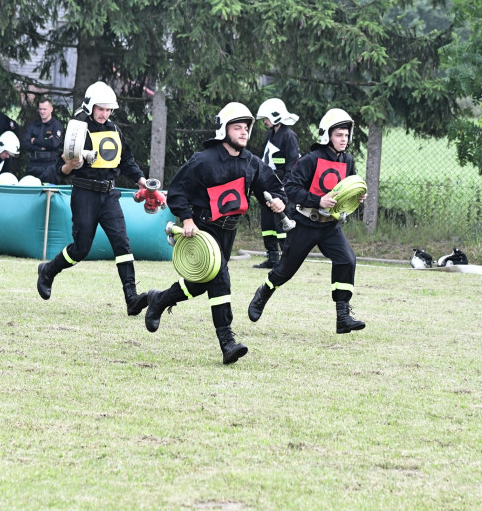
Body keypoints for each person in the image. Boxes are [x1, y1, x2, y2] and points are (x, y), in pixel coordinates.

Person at [141, 102, 287, 365]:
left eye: (246, 128)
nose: (243, 132)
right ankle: (227, 343)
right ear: (224, 130)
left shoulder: (252, 163)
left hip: (228, 234)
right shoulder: (203, 160)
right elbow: (176, 192)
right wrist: (186, 218)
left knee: (200, 284)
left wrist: (278, 201)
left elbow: (273, 187)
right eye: (237, 127)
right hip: (202, 230)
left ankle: (159, 300)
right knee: (220, 280)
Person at [35, 81, 151, 318]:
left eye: (109, 109)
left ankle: (131, 298)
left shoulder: (116, 130)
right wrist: (69, 165)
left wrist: (140, 178)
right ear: (90, 106)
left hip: (110, 195)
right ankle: (48, 271)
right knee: (81, 249)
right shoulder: (77, 131)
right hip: (85, 194)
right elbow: (58, 170)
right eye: (101, 108)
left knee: (123, 244)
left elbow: (126, 160)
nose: (105, 113)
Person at [247, 108, 367, 334]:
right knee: (285, 271)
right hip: (305, 222)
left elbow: (347, 188)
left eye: (346, 135)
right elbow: (291, 189)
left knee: (347, 260)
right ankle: (263, 293)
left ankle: (343, 317)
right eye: (339, 134)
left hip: (330, 226)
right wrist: (318, 200)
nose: (344, 139)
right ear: (327, 135)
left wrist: (358, 196)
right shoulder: (310, 160)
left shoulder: (348, 160)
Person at [254, 97, 300, 268]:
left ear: (275, 116)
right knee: (267, 223)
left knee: (280, 222)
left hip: (281, 184)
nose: (265, 121)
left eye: (266, 118)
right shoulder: (270, 134)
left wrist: (285, 186)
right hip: (267, 183)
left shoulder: (289, 136)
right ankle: (272, 257)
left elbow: (293, 164)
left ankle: (285, 259)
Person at [21, 96, 64, 184]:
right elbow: (24, 143)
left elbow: (54, 143)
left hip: (49, 167)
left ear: (51, 109)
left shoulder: (56, 125)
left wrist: (34, 141)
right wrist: (40, 148)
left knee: (49, 193)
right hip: (33, 165)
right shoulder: (33, 125)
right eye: (40, 109)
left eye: (44, 109)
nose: (42, 112)